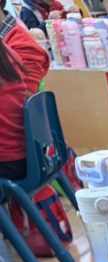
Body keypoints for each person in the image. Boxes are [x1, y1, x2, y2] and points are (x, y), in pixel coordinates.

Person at [0, 7, 49, 179]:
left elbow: (24, 99)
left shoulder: (20, 44)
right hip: (22, 152)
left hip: (12, 159)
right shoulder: (8, 49)